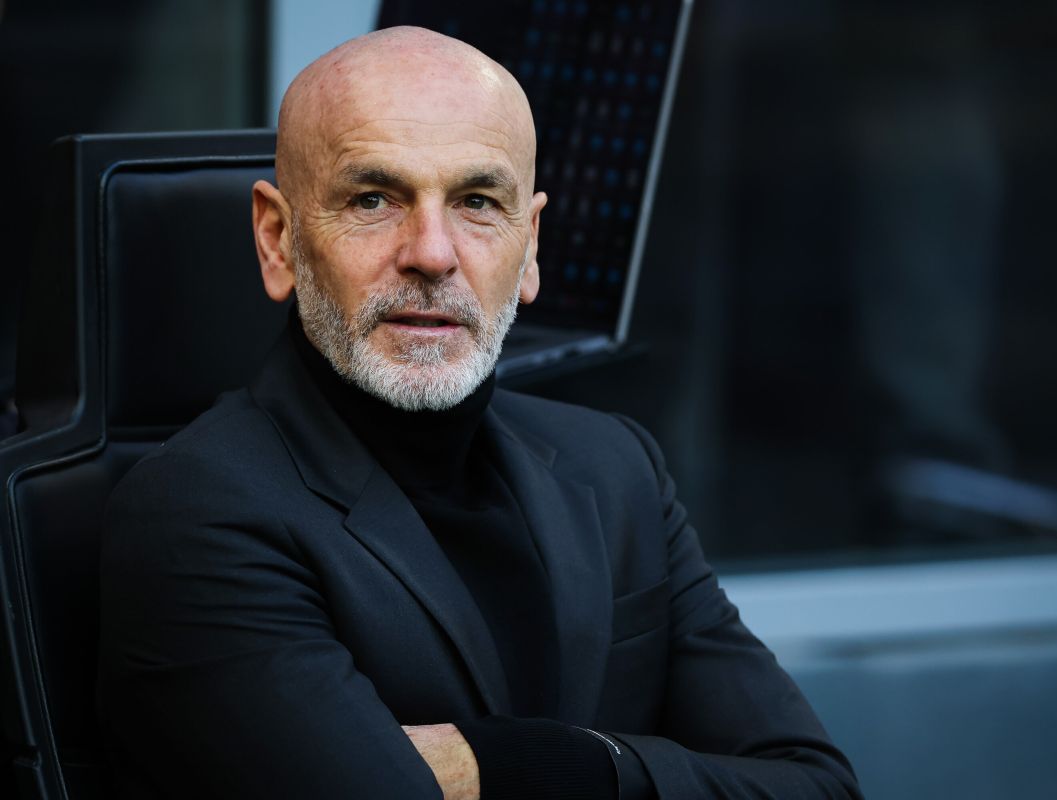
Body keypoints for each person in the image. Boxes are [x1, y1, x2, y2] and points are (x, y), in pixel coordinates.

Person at [97, 27, 862, 800]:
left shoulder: (616, 467)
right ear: (278, 240)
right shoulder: (196, 512)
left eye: (476, 202)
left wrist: (528, 762)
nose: (432, 253)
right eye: (373, 199)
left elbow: (818, 786)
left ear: (529, 248)